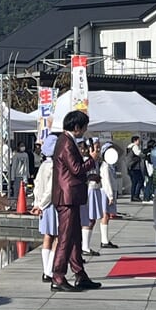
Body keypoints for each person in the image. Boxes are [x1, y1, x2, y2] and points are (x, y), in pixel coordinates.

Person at [50, 110, 100, 292]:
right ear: (77, 127)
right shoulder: (66, 143)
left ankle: (79, 273)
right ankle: (58, 276)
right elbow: (77, 169)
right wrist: (92, 160)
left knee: (75, 238)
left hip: (70, 196)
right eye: (84, 127)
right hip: (67, 197)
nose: (85, 131)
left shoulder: (67, 141)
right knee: (65, 238)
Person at [31, 135, 59, 281]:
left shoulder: (43, 165)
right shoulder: (54, 166)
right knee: (57, 237)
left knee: (47, 236)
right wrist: (42, 204)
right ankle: (49, 270)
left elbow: (37, 186)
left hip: (42, 204)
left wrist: (37, 203)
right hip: (51, 204)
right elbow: (50, 189)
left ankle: (46, 269)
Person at [127, 135, 146, 201]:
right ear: (135, 141)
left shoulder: (129, 147)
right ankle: (136, 195)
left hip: (130, 167)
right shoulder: (135, 146)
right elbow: (138, 153)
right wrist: (144, 155)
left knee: (134, 182)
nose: (139, 141)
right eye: (138, 140)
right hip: (135, 167)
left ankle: (133, 196)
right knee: (141, 180)